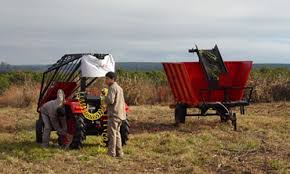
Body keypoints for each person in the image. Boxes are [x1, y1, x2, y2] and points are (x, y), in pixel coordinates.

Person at [104, 72, 126, 157]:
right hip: (120, 114)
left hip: (114, 114)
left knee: (112, 134)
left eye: (107, 78)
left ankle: (111, 153)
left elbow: (110, 100)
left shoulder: (112, 88)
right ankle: (119, 153)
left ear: (112, 79)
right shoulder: (119, 88)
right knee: (117, 134)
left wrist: (104, 98)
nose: (105, 80)